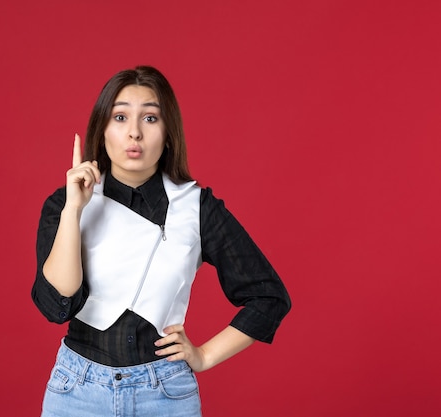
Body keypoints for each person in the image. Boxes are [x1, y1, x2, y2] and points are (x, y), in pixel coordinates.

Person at [32, 65, 291, 417]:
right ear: (102, 129)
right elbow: (56, 304)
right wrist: (74, 210)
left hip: (165, 395)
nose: (134, 133)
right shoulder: (66, 204)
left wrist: (205, 355)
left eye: (150, 119)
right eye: (120, 117)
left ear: (168, 132)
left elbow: (268, 297)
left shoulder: (196, 208)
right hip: (77, 391)